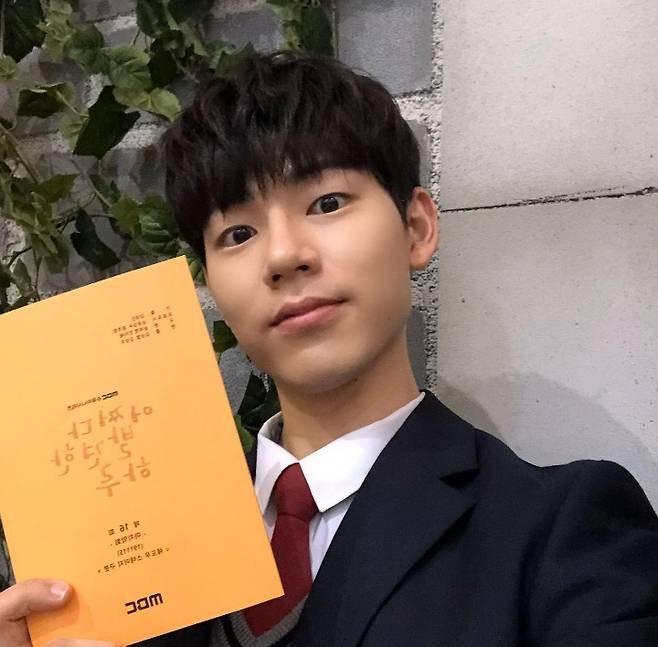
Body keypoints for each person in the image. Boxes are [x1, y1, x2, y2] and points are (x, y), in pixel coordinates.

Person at [1, 51, 657, 647]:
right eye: (237, 234)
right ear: (209, 283)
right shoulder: (135, 562)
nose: (284, 255)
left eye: (327, 202)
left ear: (416, 227)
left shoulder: (562, 532)